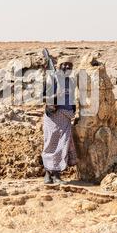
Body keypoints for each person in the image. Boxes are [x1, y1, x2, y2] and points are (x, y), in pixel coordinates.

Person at [41, 56, 77, 184]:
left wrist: (73, 110)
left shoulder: (71, 82)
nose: (67, 67)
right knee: (50, 143)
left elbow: (72, 97)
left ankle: (56, 175)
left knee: (62, 145)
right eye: (64, 64)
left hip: (66, 116)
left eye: (70, 65)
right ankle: (47, 173)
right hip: (53, 116)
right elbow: (43, 97)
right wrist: (56, 96)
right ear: (59, 66)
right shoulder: (52, 78)